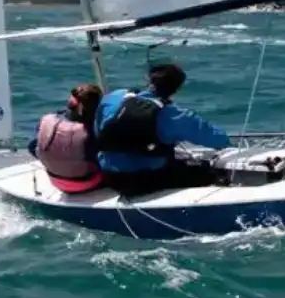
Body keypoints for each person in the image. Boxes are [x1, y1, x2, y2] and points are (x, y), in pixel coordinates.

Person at [93, 62, 232, 197]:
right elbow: (218, 139)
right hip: (144, 179)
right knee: (210, 173)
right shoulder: (174, 115)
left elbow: (97, 127)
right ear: (176, 89)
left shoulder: (114, 98)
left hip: (108, 174)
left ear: (149, 81)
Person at [33, 83, 105, 194]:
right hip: (86, 184)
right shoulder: (90, 132)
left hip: (55, 180)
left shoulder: (49, 121)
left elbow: (32, 147)